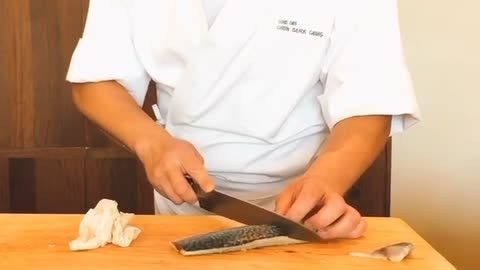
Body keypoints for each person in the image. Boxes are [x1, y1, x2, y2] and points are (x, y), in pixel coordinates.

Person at [66, 0, 420, 240]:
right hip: (182, 202)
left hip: (301, 209)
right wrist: (152, 142)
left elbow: (371, 96)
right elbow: (96, 80)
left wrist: (327, 179)